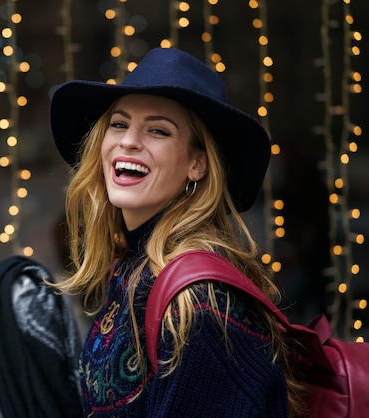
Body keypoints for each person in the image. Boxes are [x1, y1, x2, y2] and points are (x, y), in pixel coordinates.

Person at [48, 47, 305, 417]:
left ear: (197, 164)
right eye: (119, 124)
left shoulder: (197, 305)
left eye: (158, 130)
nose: (129, 141)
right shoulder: (130, 267)